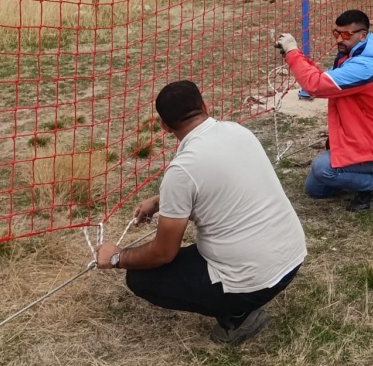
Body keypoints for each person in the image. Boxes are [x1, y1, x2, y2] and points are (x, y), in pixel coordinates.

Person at [95, 80, 306, 345]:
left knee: (140, 277)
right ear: (204, 106)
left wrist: (116, 257)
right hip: (292, 258)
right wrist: (161, 202)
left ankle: (240, 317)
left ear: (164, 126)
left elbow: (163, 253)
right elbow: (214, 180)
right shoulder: (236, 131)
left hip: (255, 281)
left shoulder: (182, 171)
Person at [275, 10, 373, 212]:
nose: (339, 40)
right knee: (314, 190)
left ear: (363, 35)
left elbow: (315, 85)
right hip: (359, 139)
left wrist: (292, 52)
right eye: (336, 33)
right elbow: (321, 77)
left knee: (322, 169)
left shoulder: (365, 66)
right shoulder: (354, 54)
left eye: (345, 35)